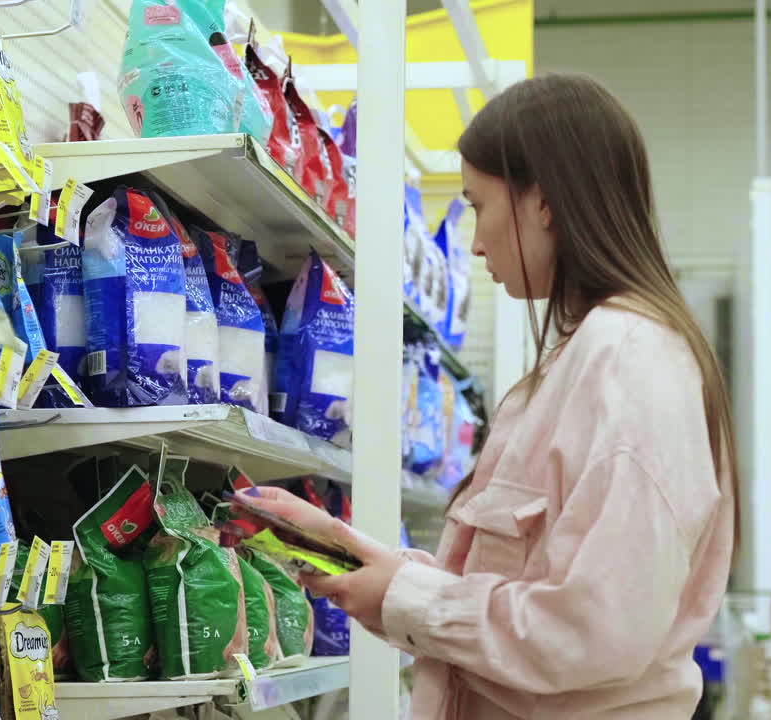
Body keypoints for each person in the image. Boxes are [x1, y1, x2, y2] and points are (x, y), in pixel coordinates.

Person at [239, 73, 738, 719]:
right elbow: (524, 588)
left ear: (543, 201)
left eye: (479, 205)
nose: (475, 243)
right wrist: (351, 554)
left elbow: (594, 629)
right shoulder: (583, 358)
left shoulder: (630, 361)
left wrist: (406, 598)